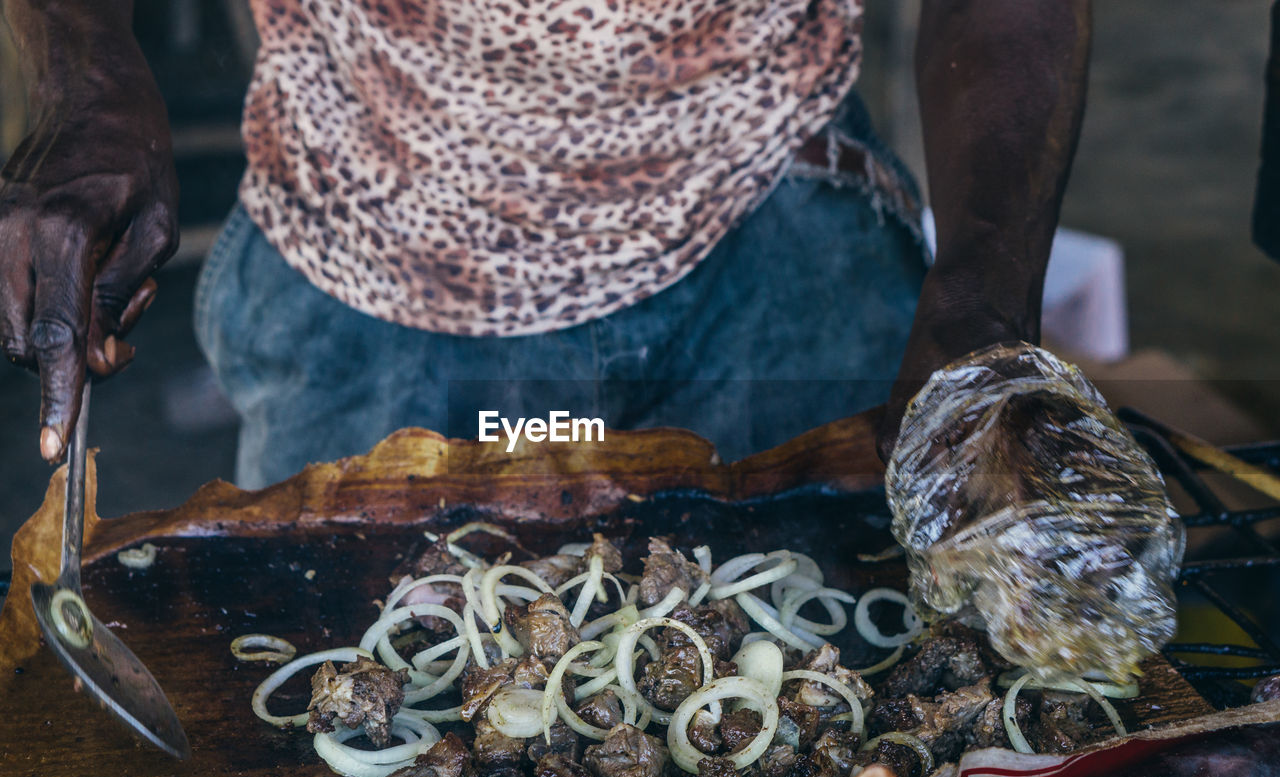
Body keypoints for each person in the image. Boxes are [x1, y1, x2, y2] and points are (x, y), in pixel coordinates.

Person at [0, 0, 1089, 490]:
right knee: (344, 738)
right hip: (374, 253)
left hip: (772, 223)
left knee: (834, 719)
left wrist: (980, 313)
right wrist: (84, 73)